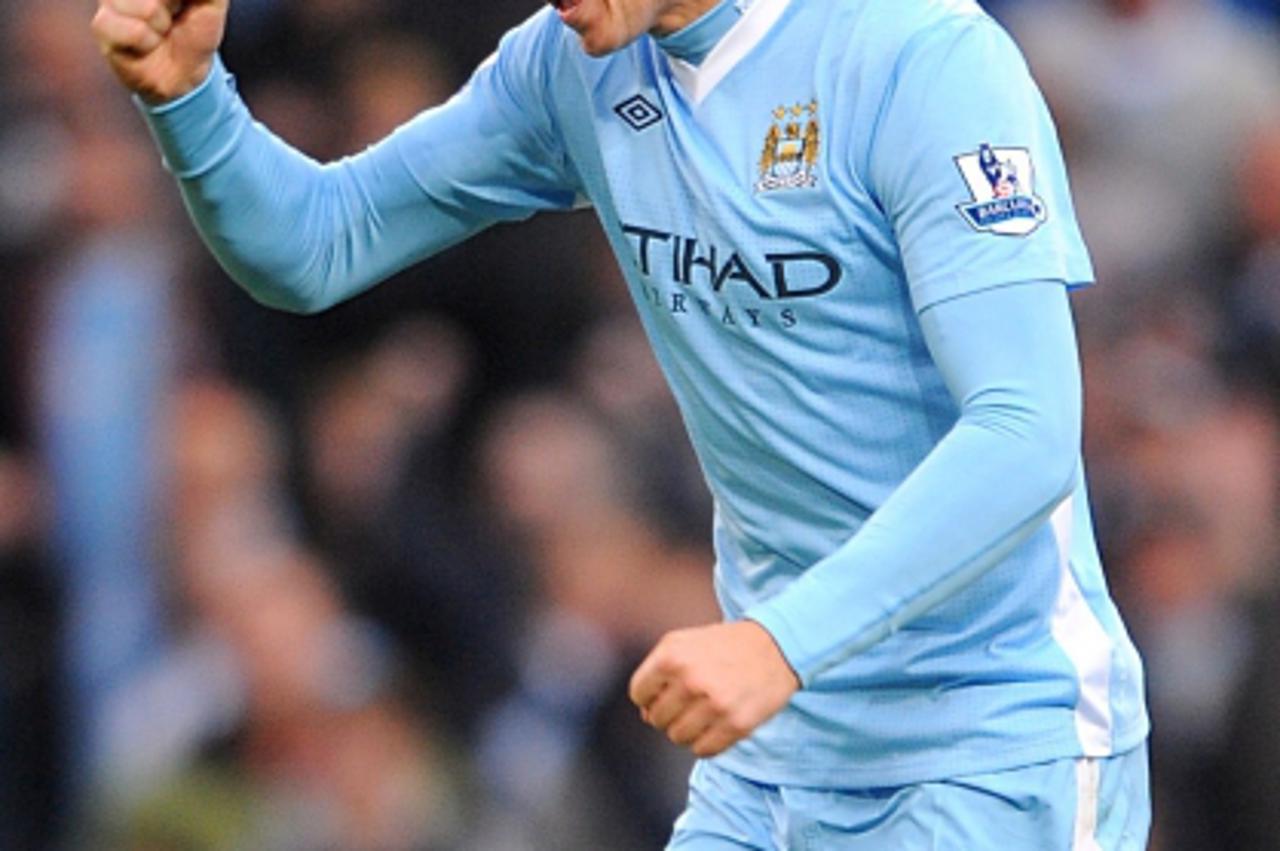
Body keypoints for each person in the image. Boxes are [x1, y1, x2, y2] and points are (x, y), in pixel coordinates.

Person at [91, 0, 1151, 847]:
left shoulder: (920, 56)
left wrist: (781, 639)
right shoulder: (571, 62)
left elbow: (1024, 426)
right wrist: (194, 104)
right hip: (776, 748)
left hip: (988, 735)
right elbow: (318, 241)